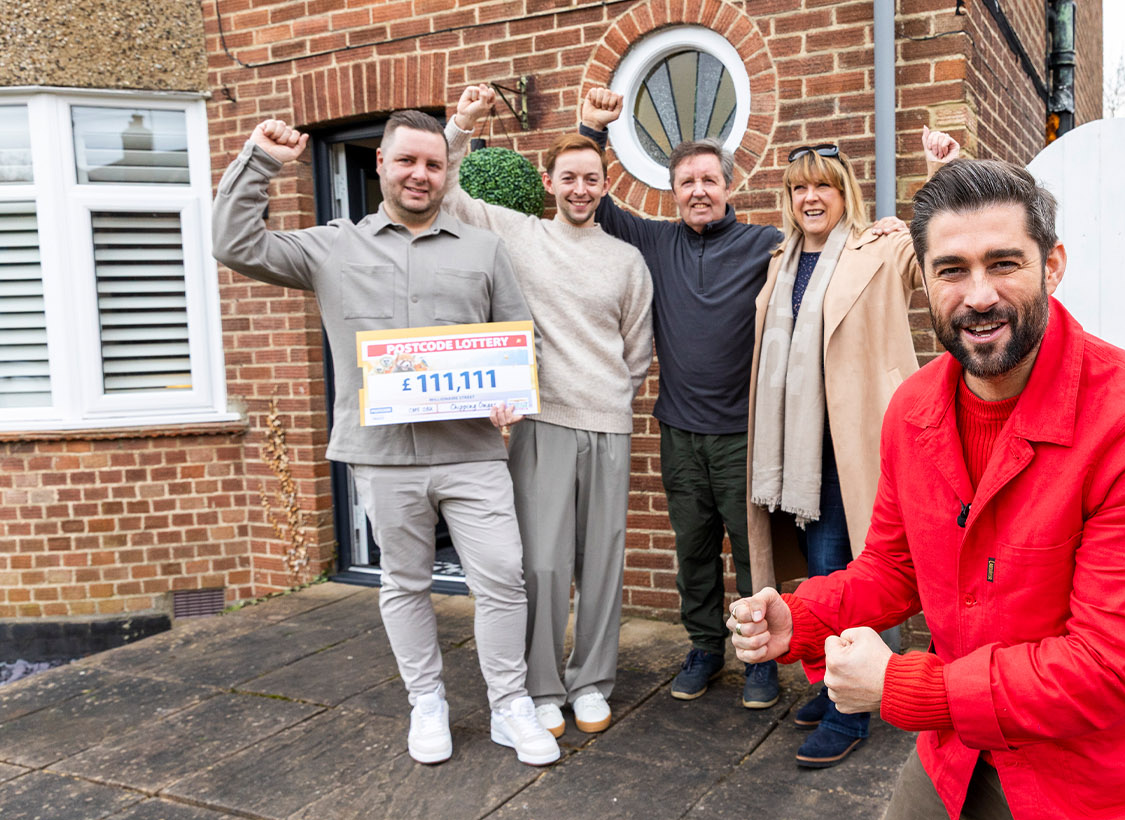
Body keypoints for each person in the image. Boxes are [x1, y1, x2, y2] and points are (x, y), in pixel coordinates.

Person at [729, 159, 1125, 820]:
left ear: (1052, 265)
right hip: (966, 768)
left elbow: (1108, 669)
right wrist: (799, 617)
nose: (980, 295)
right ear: (925, 282)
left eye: (1004, 264)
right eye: (952, 270)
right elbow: (895, 568)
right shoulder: (914, 409)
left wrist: (899, 685)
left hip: (1116, 784)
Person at [211, 111, 561, 768]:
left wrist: (516, 389)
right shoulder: (332, 246)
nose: (420, 174)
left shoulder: (483, 249)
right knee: (405, 581)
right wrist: (258, 160)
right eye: (406, 161)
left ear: (445, 169)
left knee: (504, 580)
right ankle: (425, 701)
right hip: (383, 456)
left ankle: (510, 705)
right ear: (381, 163)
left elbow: (520, 334)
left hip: (473, 452)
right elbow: (234, 244)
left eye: (432, 163)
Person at [439, 85, 653, 738]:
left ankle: (592, 682)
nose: (581, 188)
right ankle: (540, 687)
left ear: (604, 181)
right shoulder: (520, 235)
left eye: (591, 178)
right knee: (543, 564)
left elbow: (637, 351)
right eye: (569, 178)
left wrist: (609, 397)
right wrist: (460, 129)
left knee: (602, 564)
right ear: (549, 181)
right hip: (542, 425)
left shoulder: (627, 259)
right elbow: (449, 195)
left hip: (608, 425)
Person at [745, 128, 958, 768]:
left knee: (846, 574)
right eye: (800, 188)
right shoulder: (779, 262)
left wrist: (945, 177)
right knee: (819, 573)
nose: (812, 198)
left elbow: (936, 263)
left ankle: (852, 708)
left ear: (845, 194)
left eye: (824, 188)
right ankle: (830, 683)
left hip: (852, 441)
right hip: (794, 448)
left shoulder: (884, 245)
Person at [576, 88, 785, 709]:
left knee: (753, 556)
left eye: (709, 180)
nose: (699, 190)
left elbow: (830, 245)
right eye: (687, 181)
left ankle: (759, 659)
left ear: (728, 185)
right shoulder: (656, 243)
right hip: (680, 434)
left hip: (744, 436)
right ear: (673, 192)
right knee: (692, 549)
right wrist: (593, 128)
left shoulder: (765, 243)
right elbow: (595, 201)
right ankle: (703, 647)